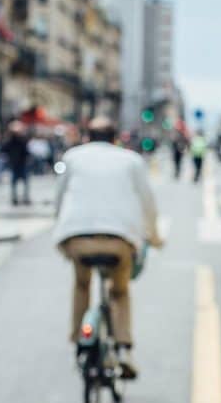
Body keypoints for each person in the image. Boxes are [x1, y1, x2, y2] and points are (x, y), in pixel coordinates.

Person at [54, 117, 161, 379]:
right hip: (119, 238)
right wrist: (154, 236)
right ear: (116, 139)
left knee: (82, 285)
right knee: (120, 291)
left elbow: (59, 198)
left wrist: (62, 228)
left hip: (77, 236)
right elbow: (147, 202)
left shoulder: (72, 157)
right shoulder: (132, 160)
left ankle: (79, 338)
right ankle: (124, 349)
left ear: (86, 138)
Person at [2, 121, 31, 205]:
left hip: (21, 164)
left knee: (23, 182)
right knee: (15, 182)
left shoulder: (22, 140)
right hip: (16, 164)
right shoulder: (11, 140)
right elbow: (4, 149)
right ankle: (16, 198)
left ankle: (24, 198)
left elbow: (26, 150)